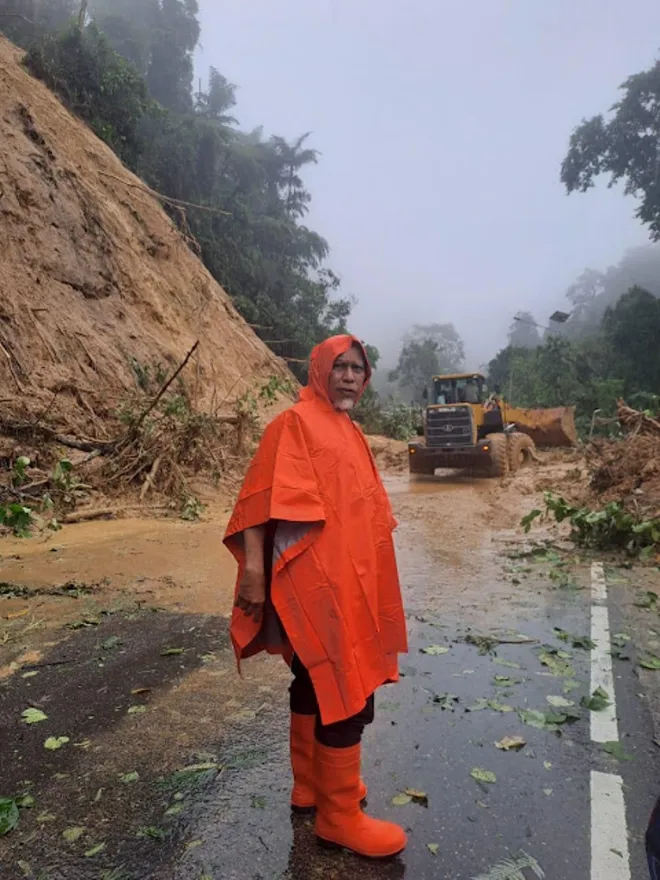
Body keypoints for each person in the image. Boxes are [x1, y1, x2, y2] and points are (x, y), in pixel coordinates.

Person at [224, 334, 408, 859]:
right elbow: (257, 502)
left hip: (348, 587)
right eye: (341, 367)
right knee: (346, 688)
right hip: (312, 587)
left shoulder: (350, 431)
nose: (349, 376)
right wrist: (254, 578)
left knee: (311, 680)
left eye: (358, 369)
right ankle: (339, 815)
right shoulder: (293, 423)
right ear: (319, 369)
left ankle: (312, 787)